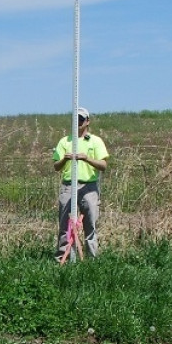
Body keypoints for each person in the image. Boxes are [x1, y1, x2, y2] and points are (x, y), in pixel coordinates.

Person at [52, 107, 109, 259]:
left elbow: (103, 165)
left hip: (89, 187)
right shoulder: (65, 141)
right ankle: (63, 259)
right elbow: (56, 166)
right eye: (75, 119)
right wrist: (64, 158)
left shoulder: (95, 141)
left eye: (81, 119)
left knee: (90, 224)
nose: (78, 122)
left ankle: (92, 259)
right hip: (68, 186)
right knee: (65, 225)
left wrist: (87, 159)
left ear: (87, 122)